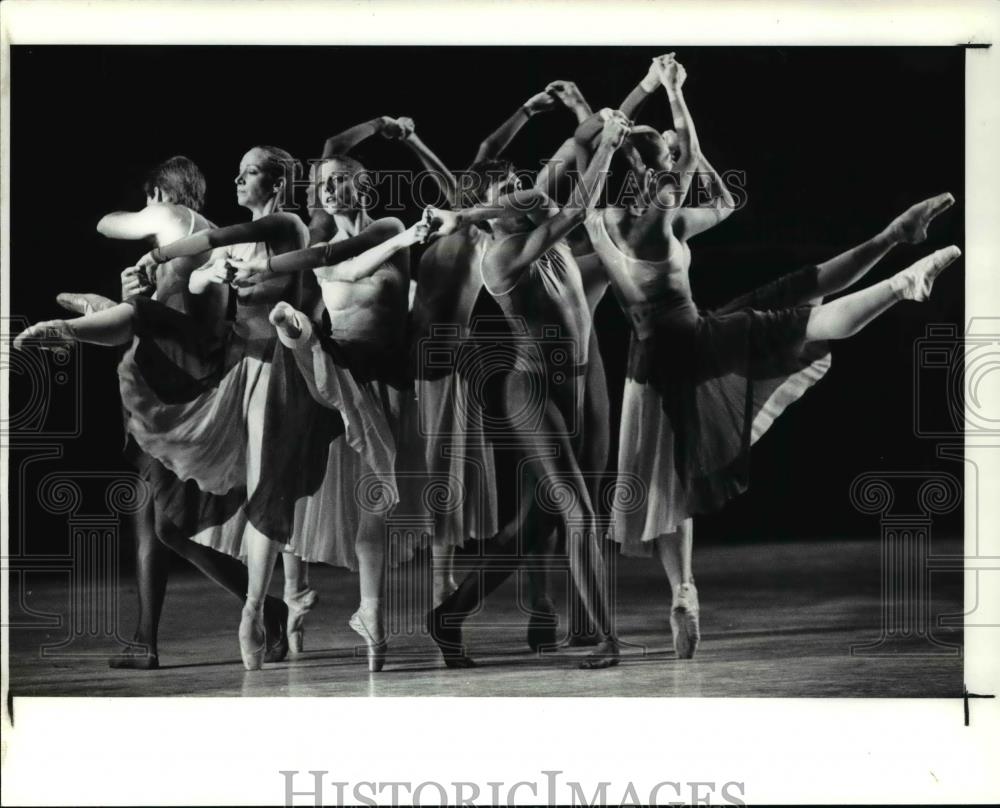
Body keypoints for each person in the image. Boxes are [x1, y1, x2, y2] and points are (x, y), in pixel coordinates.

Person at [580, 55, 959, 659]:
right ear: (652, 175)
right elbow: (698, 172)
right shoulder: (660, 222)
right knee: (800, 321)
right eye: (663, 161)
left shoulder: (605, 222)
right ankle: (900, 280)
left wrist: (620, 126)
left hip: (646, 370)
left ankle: (683, 593)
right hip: (693, 343)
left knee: (671, 484)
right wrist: (677, 97)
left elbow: (717, 196)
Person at [15, 145, 348, 671]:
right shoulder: (221, 246)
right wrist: (148, 290)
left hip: (195, 393)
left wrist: (154, 259)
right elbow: (192, 304)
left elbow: (127, 240)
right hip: (203, 385)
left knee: (206, 512)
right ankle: (253, 611)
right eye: (237, 174)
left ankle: (254, 611)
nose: (240, 180)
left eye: (250, 172)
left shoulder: (202, 223)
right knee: (170, 525)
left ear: (161, 195)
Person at [424, 111, 634, 671]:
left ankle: (449, 615)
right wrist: (610, 145)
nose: (522, 191)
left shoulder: (532, 223)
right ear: (493, 210)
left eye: (518, 183)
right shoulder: (501, 255)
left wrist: (619, 110)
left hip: (577, 385)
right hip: (531, 391)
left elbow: (573, 157)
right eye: (507, 190)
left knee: (536, 523)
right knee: (579, 515)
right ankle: (605, 638)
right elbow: (578, 208)